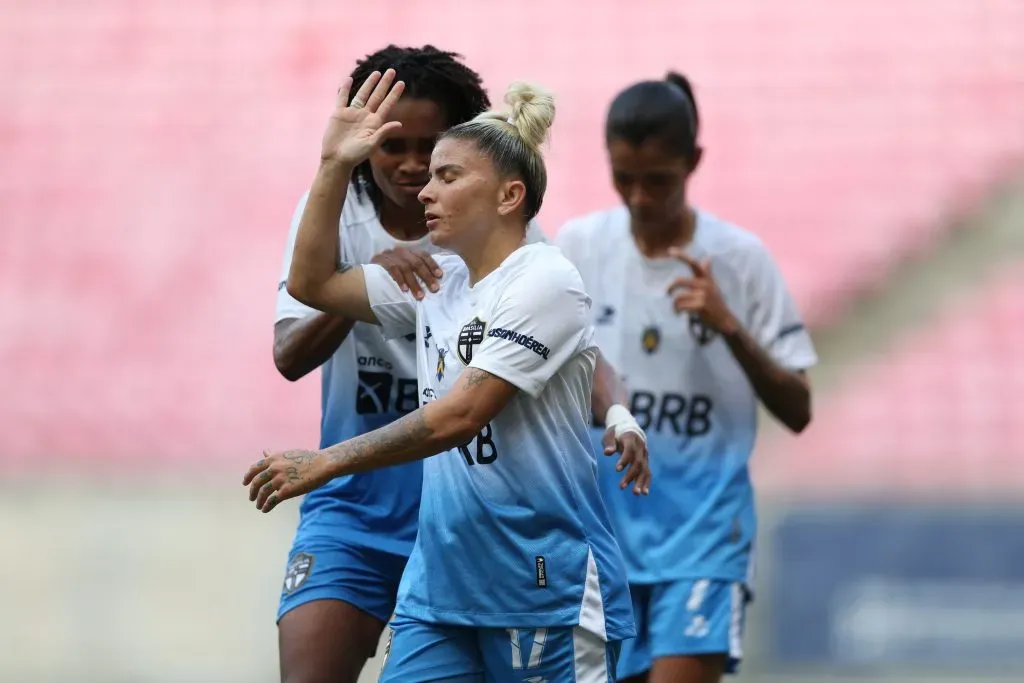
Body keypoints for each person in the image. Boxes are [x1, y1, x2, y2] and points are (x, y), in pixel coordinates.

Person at [248, 69, 648, 682]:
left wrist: (327, 461)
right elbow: (311, 286)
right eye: (428, 174)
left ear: (508, 197)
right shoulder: (436, 279)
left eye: (447, 175)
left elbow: (462, 415)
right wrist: (332, 163)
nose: (423, 190)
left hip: (544, 585)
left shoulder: (544, 279)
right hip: (439, 592)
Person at [554, 73, 818, 683]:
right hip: (602, 538)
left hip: (703, 538)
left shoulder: (740, 259)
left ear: (693, 162)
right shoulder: (580, 246)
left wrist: (729, 326)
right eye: (625, 178)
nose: (640, 197)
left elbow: (799, 409)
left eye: (659, 181)